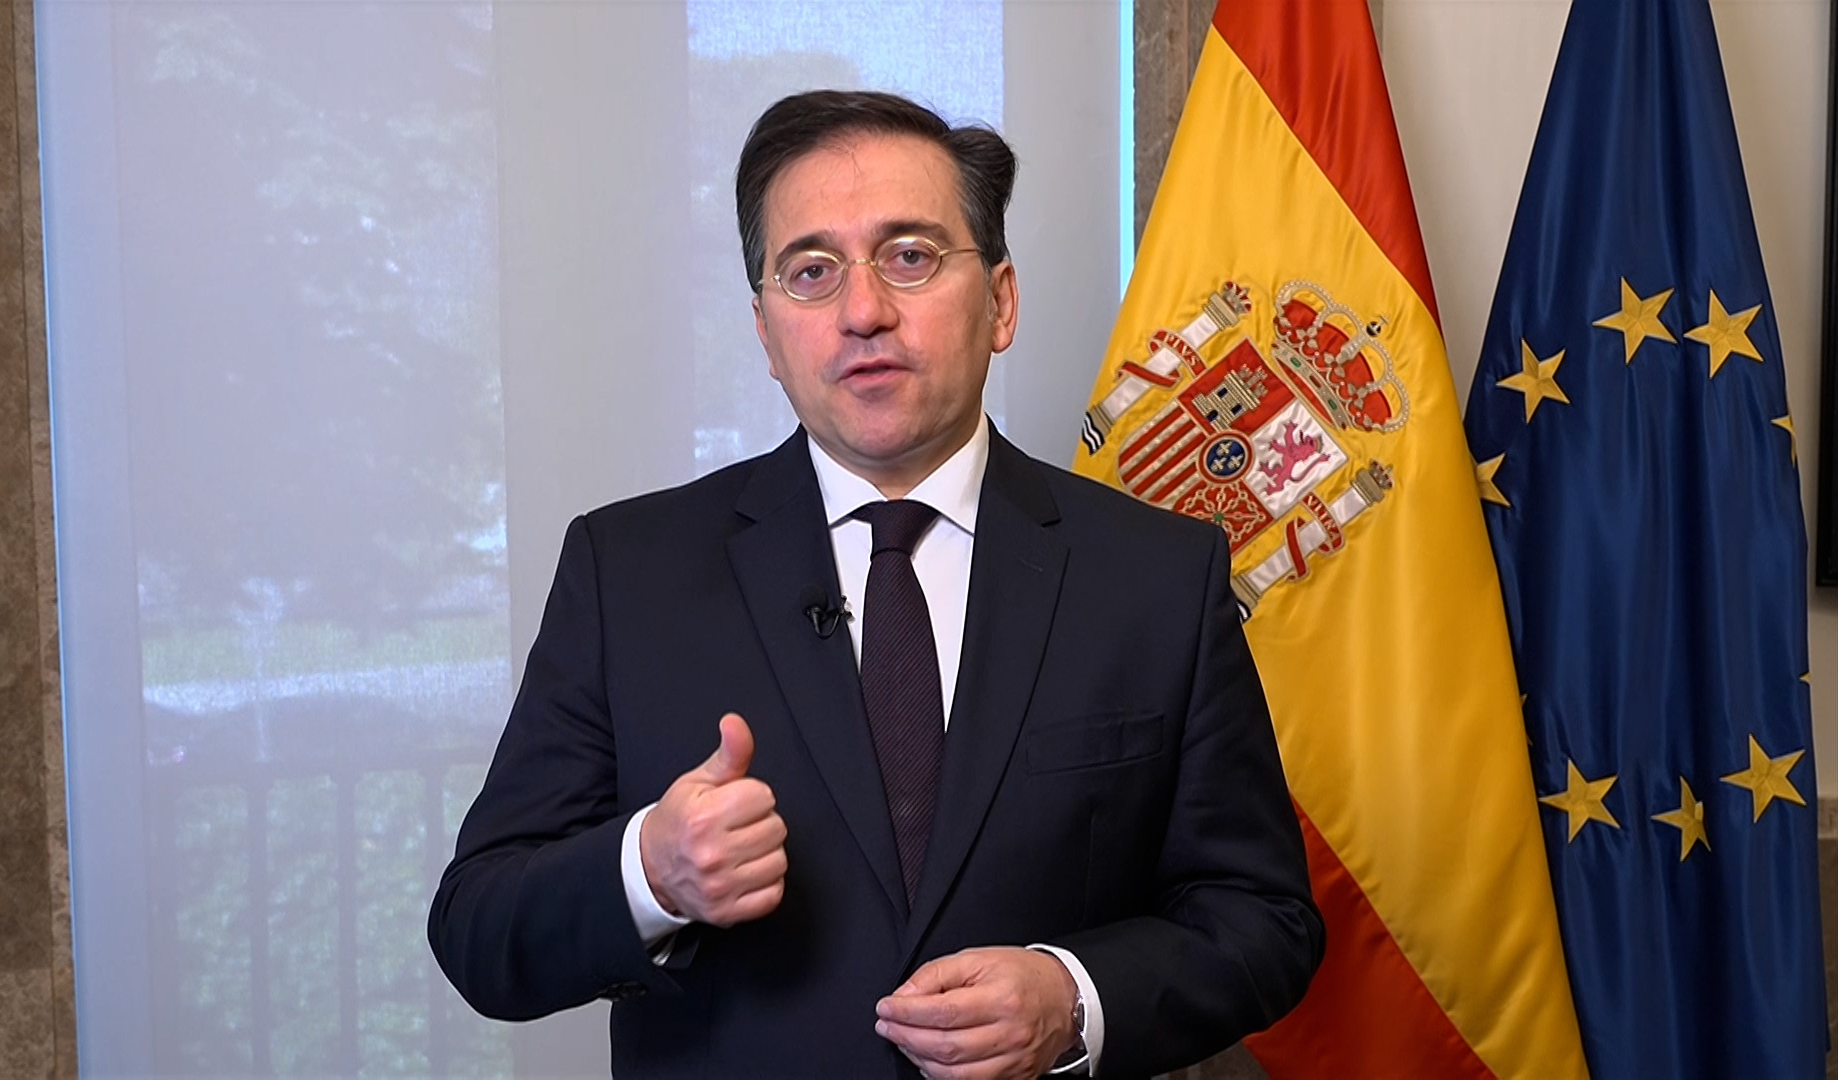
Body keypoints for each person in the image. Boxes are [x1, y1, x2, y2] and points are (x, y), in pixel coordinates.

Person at [429, 90, 1322, 1079]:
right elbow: (477, 928)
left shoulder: (1157, 575)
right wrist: (650, 873)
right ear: (767, 332)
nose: (863, 313)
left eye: (910, 256)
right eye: (812, 272)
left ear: (1002, 302)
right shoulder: (627, 572)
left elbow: (1264, 920)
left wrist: (1075, 999)